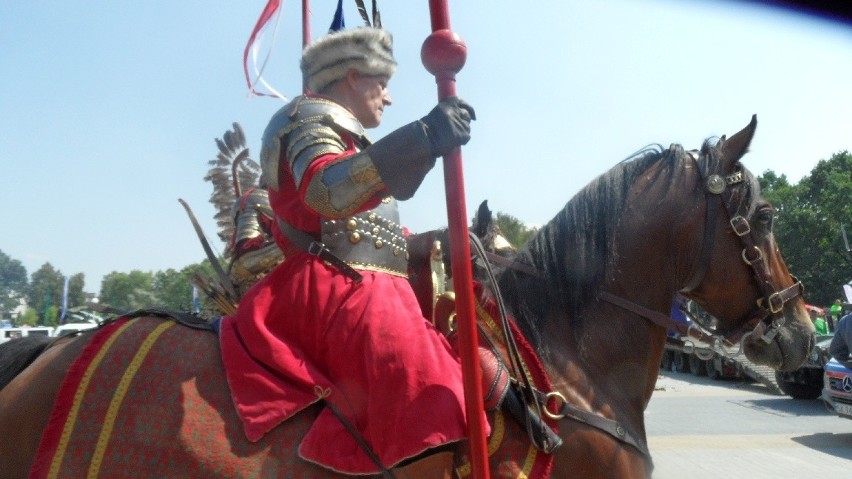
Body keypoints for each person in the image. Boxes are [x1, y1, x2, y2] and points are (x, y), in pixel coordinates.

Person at [218, 26, 479, 478]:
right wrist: (423, 137)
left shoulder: (350, 139)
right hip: (337, 287)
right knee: (428, 389)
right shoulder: (308, 118)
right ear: (353, 76)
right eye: (383, 83)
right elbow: (325, 192)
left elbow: (375, 239)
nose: (389, 97)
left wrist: (438, 239)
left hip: (373, 285)